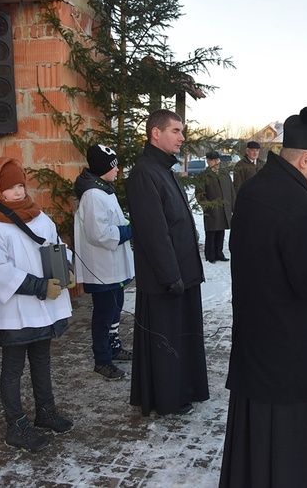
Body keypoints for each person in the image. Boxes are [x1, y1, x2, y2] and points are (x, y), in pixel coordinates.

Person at [219, 106, 307, 487]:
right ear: (306, 158)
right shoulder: (297, 204)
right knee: (286, 449)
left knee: (254, 439)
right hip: (288, 351)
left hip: (255, 337)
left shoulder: (254, 188)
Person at [0, 157, 74, 453]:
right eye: (10, 188)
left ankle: (45, 411)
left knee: (42, 360)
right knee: (13, 368)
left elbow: (56, 244)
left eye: (20, 185)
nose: (18, 192)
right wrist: (40, 286)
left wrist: (64, 267)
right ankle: (16, 426)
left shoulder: (38, 216)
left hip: (44, 308)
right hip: (15, 311)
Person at [125, 109, 209, 416]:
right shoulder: (145, 173)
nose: (182, 138)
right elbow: (153, 232)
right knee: (166, 342)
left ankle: (185, 389)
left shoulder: (163, 170)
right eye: (176, 131)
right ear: (155, 133)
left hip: (182, 274)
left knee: (183, 337)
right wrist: (170, 275)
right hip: (166, 280)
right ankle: (167, 399)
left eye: (182, 131)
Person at [74, 144, 135, 381]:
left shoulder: (104, 190)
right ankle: (102, 359)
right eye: (114, 165)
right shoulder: (92, 195)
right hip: (101, 268)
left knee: (116, 306)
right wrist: (130, 231)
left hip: (113, 267)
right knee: (104, 312)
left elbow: (115, 220)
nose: (118, 169)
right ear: (103, 168)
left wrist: (127, 224)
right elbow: (98, 233)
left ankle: (114, 347)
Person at [195, 151, 235, 263]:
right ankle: (210, 254)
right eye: (213, 160)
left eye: (217, 160)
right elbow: (200, 193)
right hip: (212, 209)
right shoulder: (203, 175)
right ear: (208, 161)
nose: (216, 162)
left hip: (224, 207)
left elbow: (231, 190)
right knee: (211, 232)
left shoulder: (224, 173)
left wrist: (233, 205)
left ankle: (219, 253)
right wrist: (207, 205)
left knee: (221, 231)